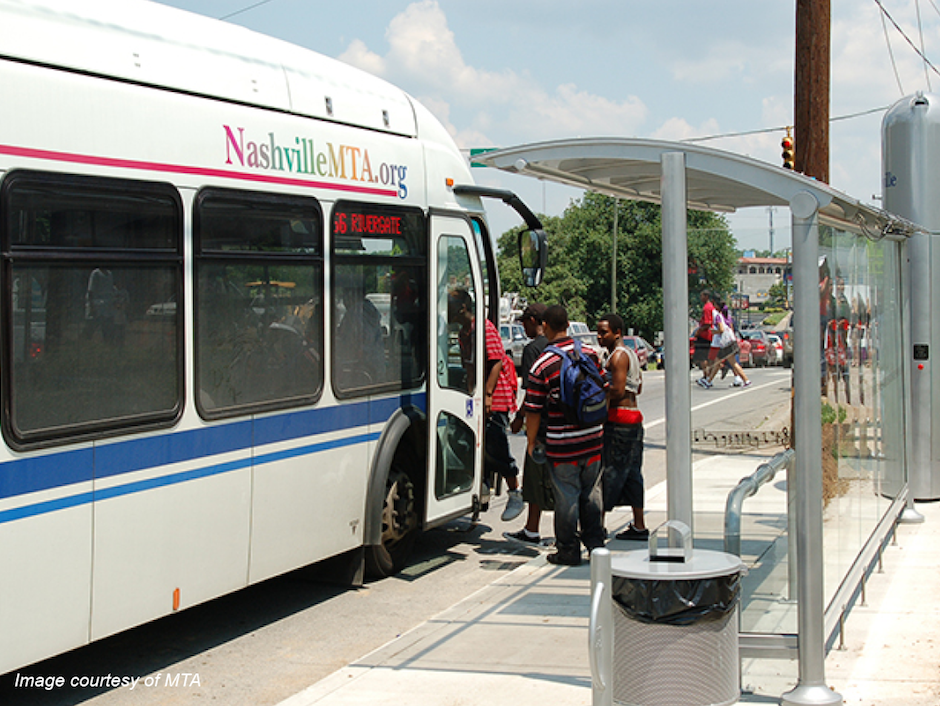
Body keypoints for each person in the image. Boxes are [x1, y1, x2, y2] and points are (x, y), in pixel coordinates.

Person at [524, 305, 607, 566]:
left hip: (563, 444)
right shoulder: (591, 353)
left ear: (545, 326)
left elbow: (534, 409)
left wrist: (531, 441)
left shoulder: (542, 365)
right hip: (593, 438)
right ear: (569, 324)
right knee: (592, 493)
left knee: (567, 496)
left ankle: (568, 550)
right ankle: (596, 546)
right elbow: (603, 386)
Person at [448, 288, 524, 521]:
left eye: (450, 304)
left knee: (497, 446)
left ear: (462, 307)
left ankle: (515, 493)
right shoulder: (463, 332)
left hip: (494, 399)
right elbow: (470, 366)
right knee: (464, 443)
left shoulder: (485, 328)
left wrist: (487, 395)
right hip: (475, 398)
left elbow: (496, 362)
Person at [504, 303, 554, 546]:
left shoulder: (533, 349)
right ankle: (559, 529)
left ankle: (532, 530)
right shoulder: (558, 345)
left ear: (535, 320)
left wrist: (520, 418)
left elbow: (533, 393)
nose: (523, 326)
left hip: (541, 427)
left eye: (525, 321)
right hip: (562, 425)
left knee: (535, 482)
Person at [596, 314, 648, 540]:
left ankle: (598, 525)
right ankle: (639, 525)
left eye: (603, 332)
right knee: (633, 474)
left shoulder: (617, 358)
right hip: (634, 418)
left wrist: (599, 392)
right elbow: (638, 387)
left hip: (618, 422)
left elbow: (617, 391)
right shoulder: (630, 354)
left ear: (617, 333)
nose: (599, 336)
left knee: (609, 474)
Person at [703, 300, 751, 388]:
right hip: (728, 342)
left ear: (717, 306)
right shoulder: (723, 315)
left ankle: (746, 380)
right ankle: (709, 381)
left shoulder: (718, 316)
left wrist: (714, 332)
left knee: (731, 363)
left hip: (726, 343)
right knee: (720, 362)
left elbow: (721, 329)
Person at [692, 289, 715, 387]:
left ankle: (706, 376)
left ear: (706, 296)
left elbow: (707, 323)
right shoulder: (712, 307)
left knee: (702, 357)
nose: (700, 298)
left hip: (705, 335)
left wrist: (699, 331)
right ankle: (708, 376)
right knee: (708, 357)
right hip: (710, 335)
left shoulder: (706, 308)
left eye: (702, 296)